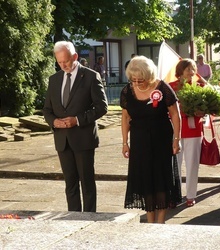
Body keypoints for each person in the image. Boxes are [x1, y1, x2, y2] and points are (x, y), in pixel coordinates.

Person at [43, 41, 108, 212]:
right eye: (59, 62)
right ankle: (73, 217)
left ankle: (89, 217)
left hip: (83, 138)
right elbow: (47, 110)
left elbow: (102, 107)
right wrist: (53, 122)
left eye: (66, 61)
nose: (63, 65)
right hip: (62, 140)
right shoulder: (54, 79)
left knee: (87, 183)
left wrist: (77, 120)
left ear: (75, 57)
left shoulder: (91, 76)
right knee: (70, 183)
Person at [121, 55, 181, 223]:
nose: (137, 83)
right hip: (139, 142)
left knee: (160, 180)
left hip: (161, 140)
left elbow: (175, 115)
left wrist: (177, 139)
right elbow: (125, 117)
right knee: (145, 179)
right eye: (133, 80)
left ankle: (160, 221)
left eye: (140, 80)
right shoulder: (127, 91)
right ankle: (149, 219)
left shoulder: (163, 88)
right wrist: (125, 142)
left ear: (149, 75)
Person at [169, 59, 207, 207]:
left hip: (194, 130)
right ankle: (174, 195)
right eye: (188, 69)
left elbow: (208, 107)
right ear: (180, 71)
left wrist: (202, 111)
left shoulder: (200, 87)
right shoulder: (170, 88)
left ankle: (191, 195)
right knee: (174, 165)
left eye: (193, 69)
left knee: (192, 164)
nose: (191, 72)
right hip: (174, 130)